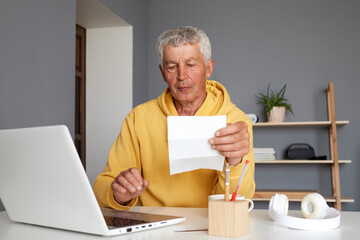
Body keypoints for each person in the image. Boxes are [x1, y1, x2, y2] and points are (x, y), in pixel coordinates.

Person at [94, 26, 255, 210]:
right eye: (172, 67)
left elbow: (241, 200)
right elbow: (102, 185)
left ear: (208, 68)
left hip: (211, 222)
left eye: (191, 65)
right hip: (153, 225)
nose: (181, 76)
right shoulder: (138, 118)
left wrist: (235, 162)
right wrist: (117, 194)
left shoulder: (236, 121)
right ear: (163, 73)